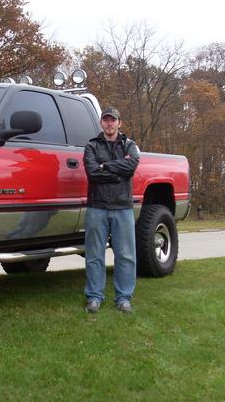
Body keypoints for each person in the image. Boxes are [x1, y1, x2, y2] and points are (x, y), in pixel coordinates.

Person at [83, 107, 140, 313]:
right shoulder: (91, 146)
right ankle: (94, 297)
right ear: (101, 123)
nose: (109, 124)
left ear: (119, 123)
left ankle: (124, 298)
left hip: (123, 208)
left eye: (113, 120)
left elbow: (131, 167)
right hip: (96, 207)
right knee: (94, 255)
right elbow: (92, 173)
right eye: (106, 120)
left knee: (125, 255)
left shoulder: (130, 145)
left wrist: (104, 166)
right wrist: (117, 171)